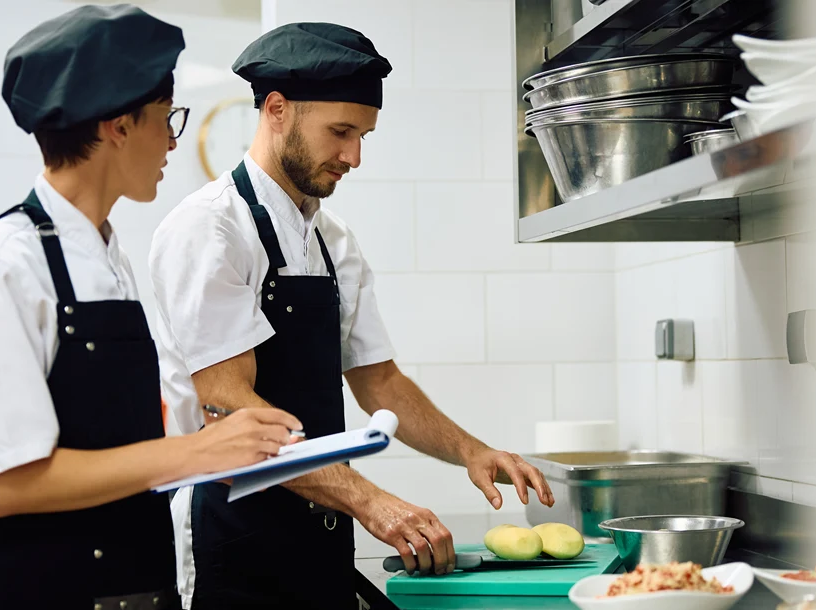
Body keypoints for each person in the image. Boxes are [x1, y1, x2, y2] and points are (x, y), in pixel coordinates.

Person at [148, 22, 556, 609]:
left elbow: (378, 380)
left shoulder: (333, 240)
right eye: (340, 132)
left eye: (363, 135)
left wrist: (472, 451)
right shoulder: (209, 229)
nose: (354, 156)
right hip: (231, 540)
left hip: (320, 529)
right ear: (277, 110)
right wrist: (370, 500)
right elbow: (228, 405)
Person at [0, 6, 302, 609]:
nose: (173, 140)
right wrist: (196, 452)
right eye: (166, 117)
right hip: (35, 590)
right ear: (118, 127)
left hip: (124, 588)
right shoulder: (2, 262)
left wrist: (227, 453)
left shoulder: (108, 256)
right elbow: (6, 484)